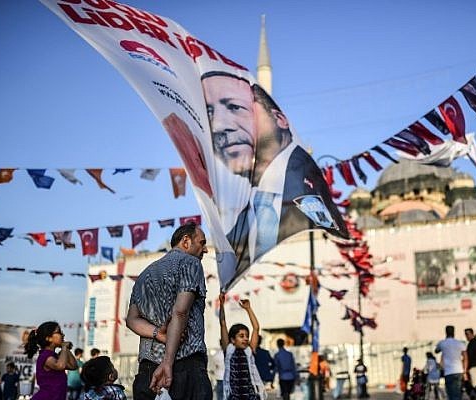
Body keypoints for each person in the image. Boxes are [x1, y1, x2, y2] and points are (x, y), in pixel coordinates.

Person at [201, 72, 347, 268]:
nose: (217, 126)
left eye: (235, 107)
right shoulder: (242, 223)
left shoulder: (307, 189)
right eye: (210, 113)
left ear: (280, 119)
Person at [126, 222, 211, 400]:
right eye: (202, 243)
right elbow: (180, 312)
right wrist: (167, 362)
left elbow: (132, 320)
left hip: (148, 372)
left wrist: (158, 333)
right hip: (183, 368)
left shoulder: (144, 275)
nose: (205, 250)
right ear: (186, 241)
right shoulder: (191, 263)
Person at [218, 294, 266, 400]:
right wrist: (221, 304)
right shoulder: (229, 350)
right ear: (232, 340)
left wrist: (248, 309)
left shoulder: (250, 350)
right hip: (235, 397)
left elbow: (256, 328)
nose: (245, 339)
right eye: (241, 336)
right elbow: (223, 323)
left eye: (247, 336)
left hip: (250, 396)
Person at [24, 321, 78, 400]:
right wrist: (63, 347)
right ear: (48, 338)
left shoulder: (55, 356)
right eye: (59, 332)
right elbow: (60, 366)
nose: (63, 335)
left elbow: (73, 366)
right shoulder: (45, 356)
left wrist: (65, 348)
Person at [435, 325, 467, 400]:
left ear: (446, 332)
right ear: (454, 332)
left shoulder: (442, 343)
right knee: (458, 393)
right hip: (459, 371)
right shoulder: (459, 343)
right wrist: (464, 371)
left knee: (451, 394)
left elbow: (436, 351)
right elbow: (465, 357)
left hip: (448, 372)